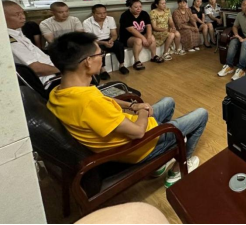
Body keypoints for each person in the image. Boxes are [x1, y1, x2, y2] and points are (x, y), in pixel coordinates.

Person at [46, 32, 208, 188]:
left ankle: (159, 163)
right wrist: (142, 112)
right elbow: (138, 132)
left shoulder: (59, 92)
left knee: (168, 102)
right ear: (88, 61)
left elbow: (103, 100)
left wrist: (133, 106)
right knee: (202, 114)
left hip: (128, 130)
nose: (102, 58)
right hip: (138, 147)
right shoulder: (89, 102)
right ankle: (178, 169)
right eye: (100, 54)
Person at [3, 0, 60, 87]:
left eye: (23, 13)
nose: (23, 17)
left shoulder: (17, 32)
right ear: (2, 17)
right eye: (17, 14)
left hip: (54, 70)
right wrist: (65, 70)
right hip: (50, 79)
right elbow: (36, 68)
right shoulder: (10, 41)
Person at [218, 0, 246, 81]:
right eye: (244, 5)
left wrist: (244, 40)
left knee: (245, 44)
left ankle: (241, 69)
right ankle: (229, 66)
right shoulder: (239, 15)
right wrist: (237, 35)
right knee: (233, 41)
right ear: (241, 7)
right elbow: (234, 26)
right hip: (244, 36)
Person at [83, 4, 129, 80]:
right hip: (96, 41)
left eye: (104, 13)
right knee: (99, 49)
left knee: (119, 45)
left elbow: (114, 34)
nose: (103, 15)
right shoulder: (87, 22)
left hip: (108, 39)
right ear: (93, 14)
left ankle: (122, 65)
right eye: (99, 13)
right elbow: (90, 39)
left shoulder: (110, 19)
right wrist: (103, 43)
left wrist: (111, 40)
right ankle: (102, 70)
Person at [119, 0, 163, 71]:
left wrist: (148, 37)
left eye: (140, 7)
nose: (138, 9)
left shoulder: (144, 13)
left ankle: (153, 56)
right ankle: (136, 61)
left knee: (152, 37)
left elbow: (148, 26)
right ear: (130, 7)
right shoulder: (125, 15)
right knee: (138, 40)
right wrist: (143, 39)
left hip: (141, 35)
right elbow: (131, 30)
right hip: (128, 37)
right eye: (136, 7)